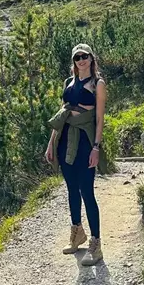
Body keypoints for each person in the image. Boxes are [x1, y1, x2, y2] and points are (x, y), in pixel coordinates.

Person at [45, 43, 107, 267]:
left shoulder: (97, 84)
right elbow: (61, 115)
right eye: (77, 57)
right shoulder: (68, 83)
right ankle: (77, 233)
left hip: (84, 141)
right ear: (74, 60)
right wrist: (51, 144)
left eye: (85, 56)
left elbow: (99, 119)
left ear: (91, 58)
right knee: (71, 188)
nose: (81, 60)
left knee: (87, 192)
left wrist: (96, 147)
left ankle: (96, 244)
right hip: (65, 140)